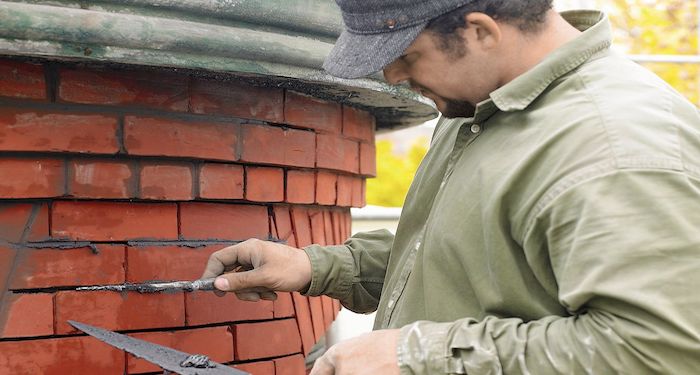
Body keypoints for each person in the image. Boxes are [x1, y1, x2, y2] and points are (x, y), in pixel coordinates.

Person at [202, 0, 700, 373]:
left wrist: (413, 357)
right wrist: (318, 266)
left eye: (407, 55)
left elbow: (658, 350)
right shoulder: (478, 109)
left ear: (480, 31)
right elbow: (472, 259)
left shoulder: (615, 145)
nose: (393, 74)